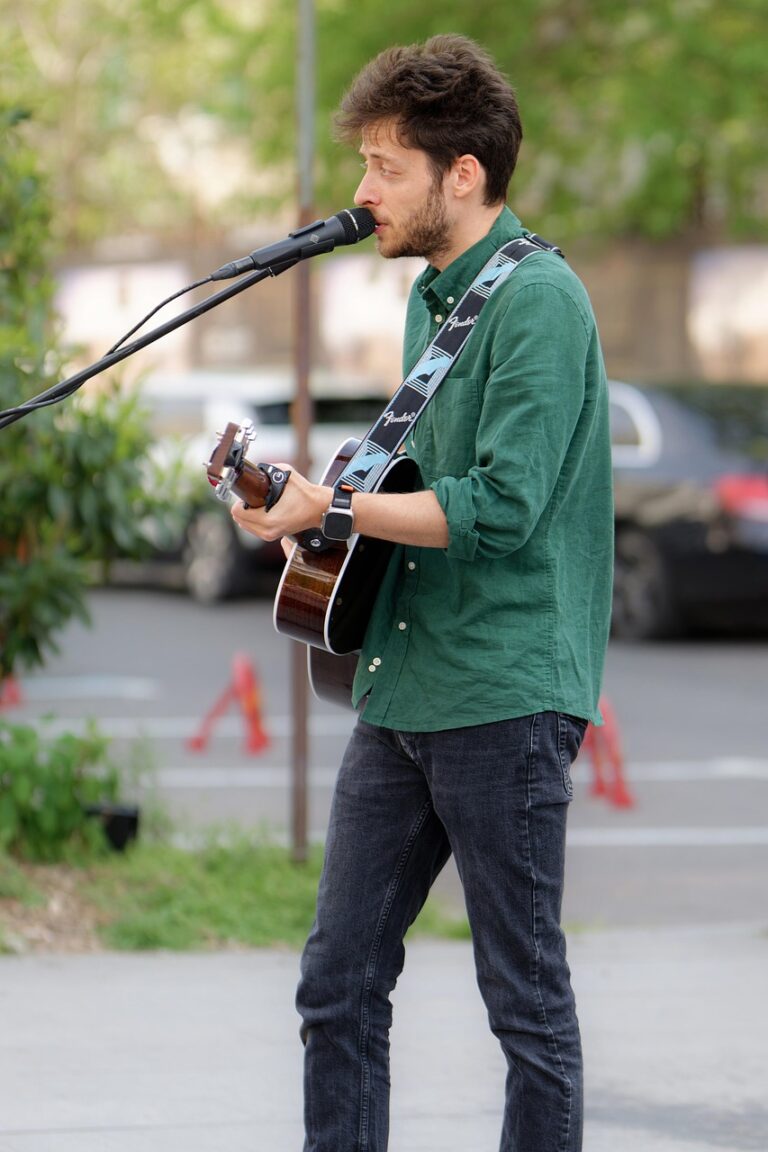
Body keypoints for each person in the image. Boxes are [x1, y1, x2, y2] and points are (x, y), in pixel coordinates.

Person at [231, 34, 613, 1152]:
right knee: (336, 983)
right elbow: (409, 482)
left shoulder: (540, 302)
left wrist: (329, 512)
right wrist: (305, 508)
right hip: (401, 689)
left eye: (385, 165)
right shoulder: (434, 303)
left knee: (525, 1008)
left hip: (502, 691)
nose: (361, 192)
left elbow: (498, 509)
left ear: (463, 173)